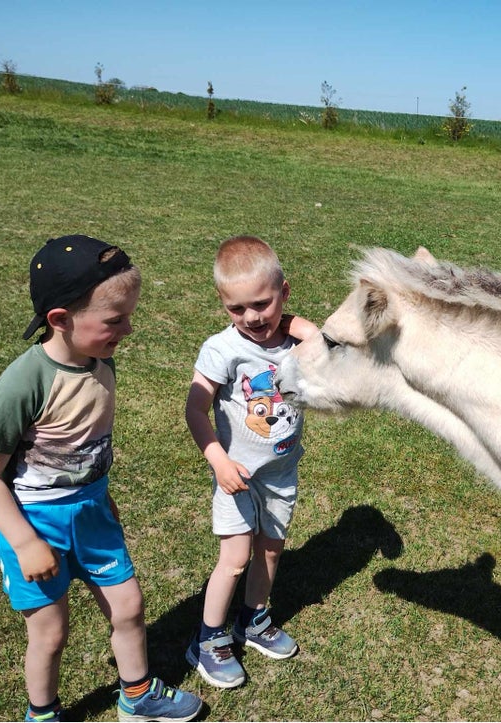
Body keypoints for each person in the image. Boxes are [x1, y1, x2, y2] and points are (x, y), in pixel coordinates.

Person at [0, 235, 203, 723]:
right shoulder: (22, 383)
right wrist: (25, 541)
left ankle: (137, 696)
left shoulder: (101, 361)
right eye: (115, 321)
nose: (129, 329)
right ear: (60, 320)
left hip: (93, 513)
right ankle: (43, 714)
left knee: (129, 607)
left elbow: (85, 447)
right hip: (36, 523)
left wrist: (103, 496)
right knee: (50, 634)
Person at [184, 235, 317, 688]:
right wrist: (218, 460)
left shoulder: (296, 343)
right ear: (224, 306)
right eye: (236, 309)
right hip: (235, 476)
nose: (252, 317)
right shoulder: (223, 350)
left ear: (285, 292)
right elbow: (194, 409)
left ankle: (253, 621)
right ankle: (207, 640)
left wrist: (308, 330)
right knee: (236, 558)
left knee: (272, 549)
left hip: (280, 472)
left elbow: (334, 357)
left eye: (262, 303)